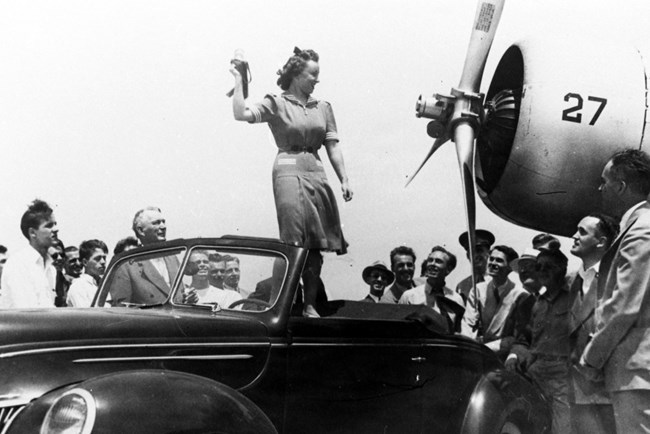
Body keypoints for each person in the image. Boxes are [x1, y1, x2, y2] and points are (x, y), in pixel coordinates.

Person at [230, 47, 352, 318]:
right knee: (292, 240)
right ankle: (276, 302)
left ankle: (309, 305)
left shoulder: (323, 107)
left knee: (316, 243)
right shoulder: (276, 102)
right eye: (312, 75)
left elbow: (332, 144)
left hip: (316, 172)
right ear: (296, 74)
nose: (316, 80)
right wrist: (239, 80)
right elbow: (241, 114)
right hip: (287, 168)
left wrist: (343, 178)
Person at [577, 149, 650, 433]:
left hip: (637, 373)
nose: (600, 188)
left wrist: (590, 360)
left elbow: (624, 305)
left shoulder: (641, 230)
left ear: (620, 187)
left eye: (604, 181)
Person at [506, 249, 572, 434]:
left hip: (563, 380)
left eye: (548, 267)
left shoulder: (574, 297)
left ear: (562, 269)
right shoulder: (535, 304)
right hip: (535, 376)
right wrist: (513, 356)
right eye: (539, 266)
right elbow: (525, 340)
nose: (542, 271)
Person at [568, 213, 618, 434]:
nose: (574, 236)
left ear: (601, 242)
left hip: (606, 390)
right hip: (574, 390)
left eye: (582, 232)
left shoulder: (616, 278)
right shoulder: (569, 282)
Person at [463, 245, 532, 359]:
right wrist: (467, 347)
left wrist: (483, 350)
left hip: (504, 355)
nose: (493, 263)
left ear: (509, 268)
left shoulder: (521, 295)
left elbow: (517, 337)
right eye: (491, 259)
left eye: (499, 260)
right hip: (476, 353)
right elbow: (468, 323)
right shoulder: (477, 290)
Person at [108, 207, 180, 306]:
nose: (163, 226)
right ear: (141, 230)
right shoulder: (127, 265)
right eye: (156, 223)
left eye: (163, 222)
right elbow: (121, 310)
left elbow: (180, 294)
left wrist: (189, 297)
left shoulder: (172, 259)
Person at [0, 199, 58, 308]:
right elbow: (28, 313)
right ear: (32, 232)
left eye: (55, 224)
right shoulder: (18, 264)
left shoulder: (51, 268)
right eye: (49, 226)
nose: (56, 229)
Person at [399, 246, 465, 333]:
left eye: (438, 261)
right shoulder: (409, 296)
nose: (432, 264)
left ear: (448, 270)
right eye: (430, 260)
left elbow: (460, 332)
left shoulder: (456, 299)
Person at [456, 229, 495, 304]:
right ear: (468, 256)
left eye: (479, 250)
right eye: (471, 252)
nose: (475, 255)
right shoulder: (462, 286)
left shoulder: (499, 280)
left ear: (489, 254)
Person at [66, 240, 108, 307]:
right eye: (97, 258)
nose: (103, 262)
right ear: (85, 262)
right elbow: (87, 316)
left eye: (104, 258)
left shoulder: (105, 284)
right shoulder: (78, 287)